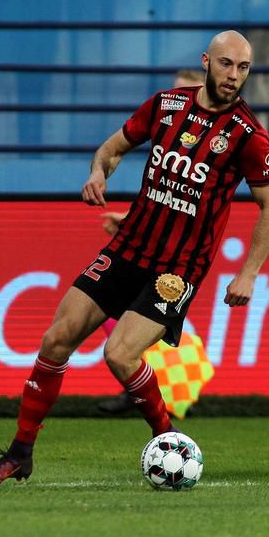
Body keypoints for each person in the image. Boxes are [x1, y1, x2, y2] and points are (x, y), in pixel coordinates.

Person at [0, 30, 269, 487]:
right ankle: (20, 453)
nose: (234, 76)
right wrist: (98, 174)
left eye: (243, 68)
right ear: (206, 62)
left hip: (177, 269)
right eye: (226, 64)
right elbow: (111, 149)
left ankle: (168, 439)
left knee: (118, 355)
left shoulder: (247, 135)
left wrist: (249, 273)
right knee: (56, 340)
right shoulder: (166, 105)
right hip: (128, 247)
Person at [97, 67, 207, 416]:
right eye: (176, 91)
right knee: (115, 321)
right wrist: (130, 224)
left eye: (186, 90)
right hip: (148, 248)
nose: (180, 98)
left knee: (147, 325)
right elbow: (161, 201)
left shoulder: (210, 145)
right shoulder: (169, 132)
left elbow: (185, 209)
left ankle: (171, 397)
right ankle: (141, 393)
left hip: (179, 261)